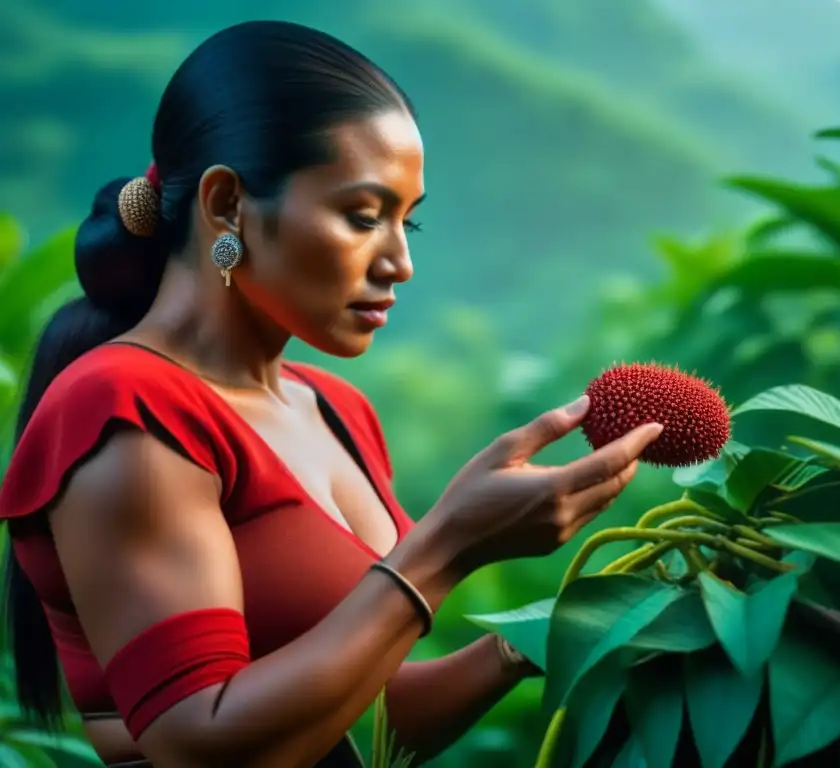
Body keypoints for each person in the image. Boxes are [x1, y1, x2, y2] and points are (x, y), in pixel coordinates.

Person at [0, 20, 662, 768]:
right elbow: (199, 741)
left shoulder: (336, 410)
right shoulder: (127, 405)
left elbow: (366, 718)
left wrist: (566, 627)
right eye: (363, 216)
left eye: (408, 223)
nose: (401, 263)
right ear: (226, 207)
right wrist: (448, 545)